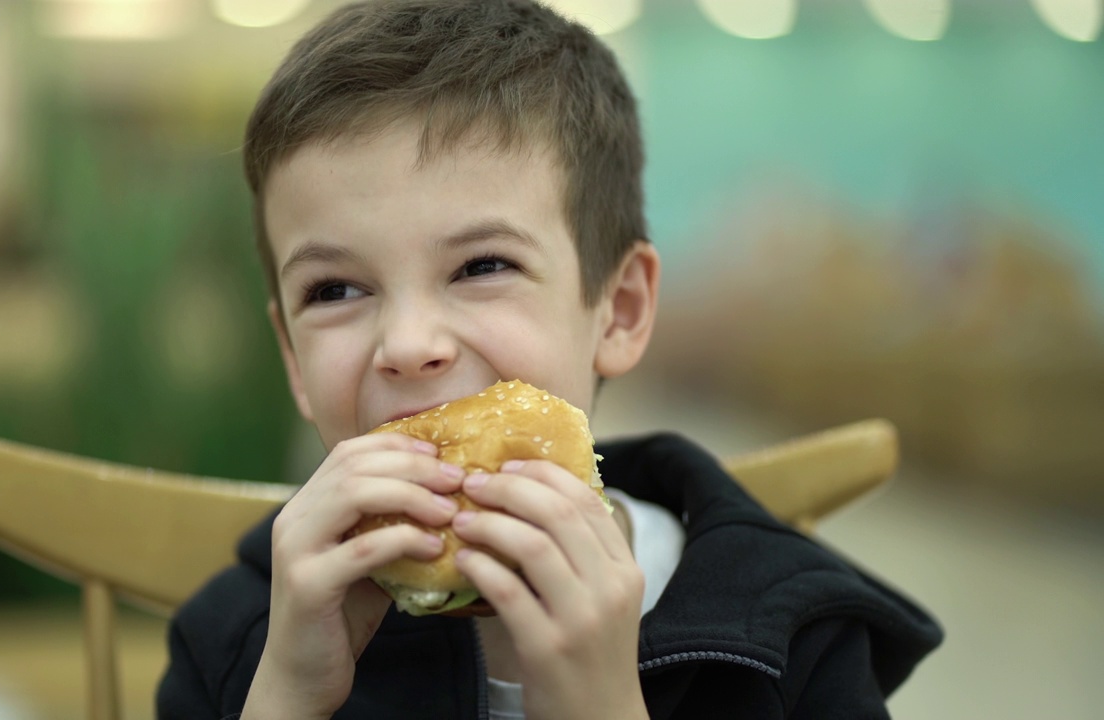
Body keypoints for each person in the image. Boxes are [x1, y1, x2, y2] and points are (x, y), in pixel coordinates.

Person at [157, 1, 943, 718]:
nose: (408, 345)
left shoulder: (792, 643)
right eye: (333, 289)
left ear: (620, 310)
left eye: (481, 267)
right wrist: (286, 698)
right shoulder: (239, 636)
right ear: (292, 357)